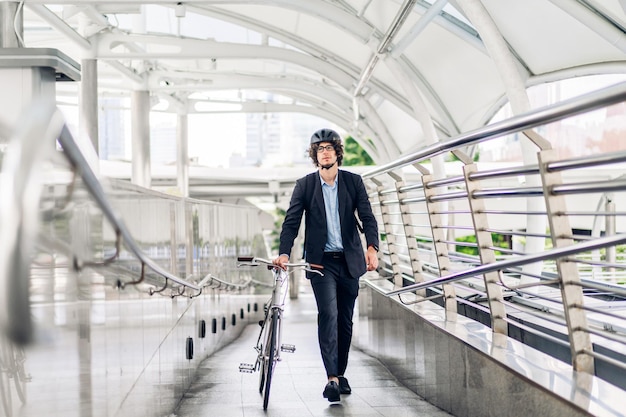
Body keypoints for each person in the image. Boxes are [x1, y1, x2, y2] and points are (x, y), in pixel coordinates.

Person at [273, 128, 379, 403]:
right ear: (314, 155)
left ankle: (340, 373)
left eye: (329, 147)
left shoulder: (353, 182)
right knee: (328, 314)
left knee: (344, 320)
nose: (325, 152)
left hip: (350, 262)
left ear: (337, 152)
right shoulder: (305, 185)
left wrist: (372, 248)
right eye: (320, 148)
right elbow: (291, 222)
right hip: (321, 264)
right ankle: (331, 378)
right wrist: (284, 253)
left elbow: (367, 217)